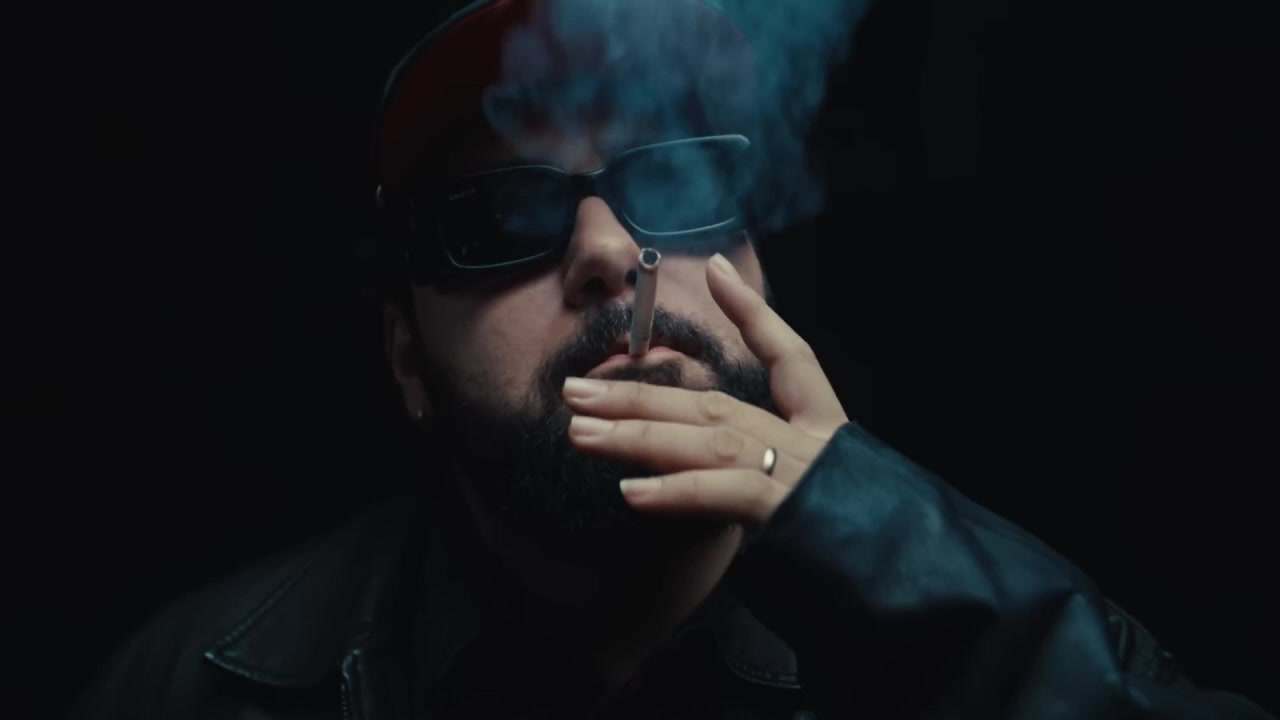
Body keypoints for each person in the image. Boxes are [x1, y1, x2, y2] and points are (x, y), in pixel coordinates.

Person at [74, 0, 1273, 718]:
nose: (609, 250)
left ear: (755, 272)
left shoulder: (976, 634)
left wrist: (891, 559)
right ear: (405, 359)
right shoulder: (197, 686)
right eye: (503, 215)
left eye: (673, 182)